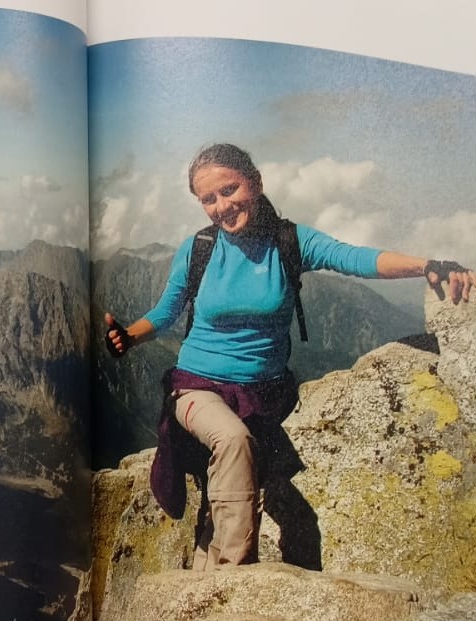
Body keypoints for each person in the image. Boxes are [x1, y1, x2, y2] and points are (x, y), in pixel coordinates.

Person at [104, 143, 475, 570]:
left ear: (256, 182)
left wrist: (428, 265)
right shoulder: (199, 248)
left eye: (229, 189)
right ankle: (232, 579)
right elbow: (166, 312)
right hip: (195, 386)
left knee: (229, 483)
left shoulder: (289, 242)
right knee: (233, 440)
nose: (222, 206)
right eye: (208, 199)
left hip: (262, 396)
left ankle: (203, 577)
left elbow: (354, 257)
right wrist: (129, 337)